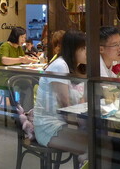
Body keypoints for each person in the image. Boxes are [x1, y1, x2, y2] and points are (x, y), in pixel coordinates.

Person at [33, 30, 87, 158]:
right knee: (99, 146)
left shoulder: (77, 68)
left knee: (104, 143)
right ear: (73, 49)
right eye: (84, 48)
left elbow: (81, 100)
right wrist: (82, 124)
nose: (88, 52)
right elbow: (65, 106)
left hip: (65, 123)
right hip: (50, 126)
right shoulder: (60, 66)